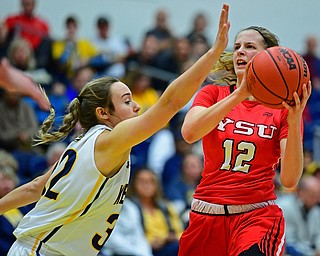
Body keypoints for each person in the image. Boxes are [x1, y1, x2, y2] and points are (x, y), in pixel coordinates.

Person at [0, 4, 230, 256]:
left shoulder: (84, 142)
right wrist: (213, 54)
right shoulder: (109, 140)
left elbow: (36, 188)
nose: (137, 105)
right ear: (103, 113)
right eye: (127, 100)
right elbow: (170, 103)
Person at [178, 24, 312, 256]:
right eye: (237, 46)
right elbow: (190, 133)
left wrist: (294, 119)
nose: (240, 51)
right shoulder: (213, 93)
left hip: (256, 218)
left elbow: (290, 180)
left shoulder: (283, 110)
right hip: (206, 215)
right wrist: (239, 94)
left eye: (250, 46)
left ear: (270, 57)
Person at [129, 168, 184, 256]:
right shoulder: (130, 208)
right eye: (141, 181)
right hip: (143, 249)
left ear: (156, 185)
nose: (146, 185)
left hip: (169, 246)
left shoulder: (166, 207)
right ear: (134, 184)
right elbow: (129, 236)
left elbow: (180, 233)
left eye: (151, 181)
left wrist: (171, 237)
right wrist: (149, 242)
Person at [277, 175, 320, 256]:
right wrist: (312, 253)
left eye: (318, 195)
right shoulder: (284, 207)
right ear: (300, 192)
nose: (316, 199)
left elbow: (318, 235)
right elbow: (287, 243)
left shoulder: (315, 210)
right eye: (312, 195)